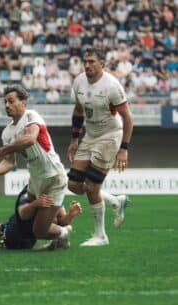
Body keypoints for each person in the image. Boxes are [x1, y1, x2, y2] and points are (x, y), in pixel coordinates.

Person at [0, 84, 72, 246]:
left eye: (11, 101)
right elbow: (9, 162)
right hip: (36, 179)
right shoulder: (7, 132)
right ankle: (55, 235)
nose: (7, 105)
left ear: (23, 102)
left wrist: (1, 151)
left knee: (39, 231)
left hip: (53, 177)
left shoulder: (31, 116)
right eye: (5, 102)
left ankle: (65, 232)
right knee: (25, 213)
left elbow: (30, 138)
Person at [68, 48, 133, 246]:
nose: (87, 65)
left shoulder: (112, 86)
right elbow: (78, 110)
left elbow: (128, 118)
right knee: (74, 185)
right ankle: (115, 201)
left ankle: (100, 236)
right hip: (90, 135)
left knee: (93, 186)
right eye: (85, 61)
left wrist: (123, 149)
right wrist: (74, 139)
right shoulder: (79, 81)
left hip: (110, 136)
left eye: (92, 62)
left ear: (102, 64)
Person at [0, 185, 82, 250]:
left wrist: (71, 214)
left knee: (55, 221)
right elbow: (22, 214)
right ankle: (3, 230)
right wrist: (35, 204)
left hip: (31, 236)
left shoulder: (54, 192)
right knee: (15, 246)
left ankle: (1, 229)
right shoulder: (30, 190)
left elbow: (62, 222)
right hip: (17, 233)